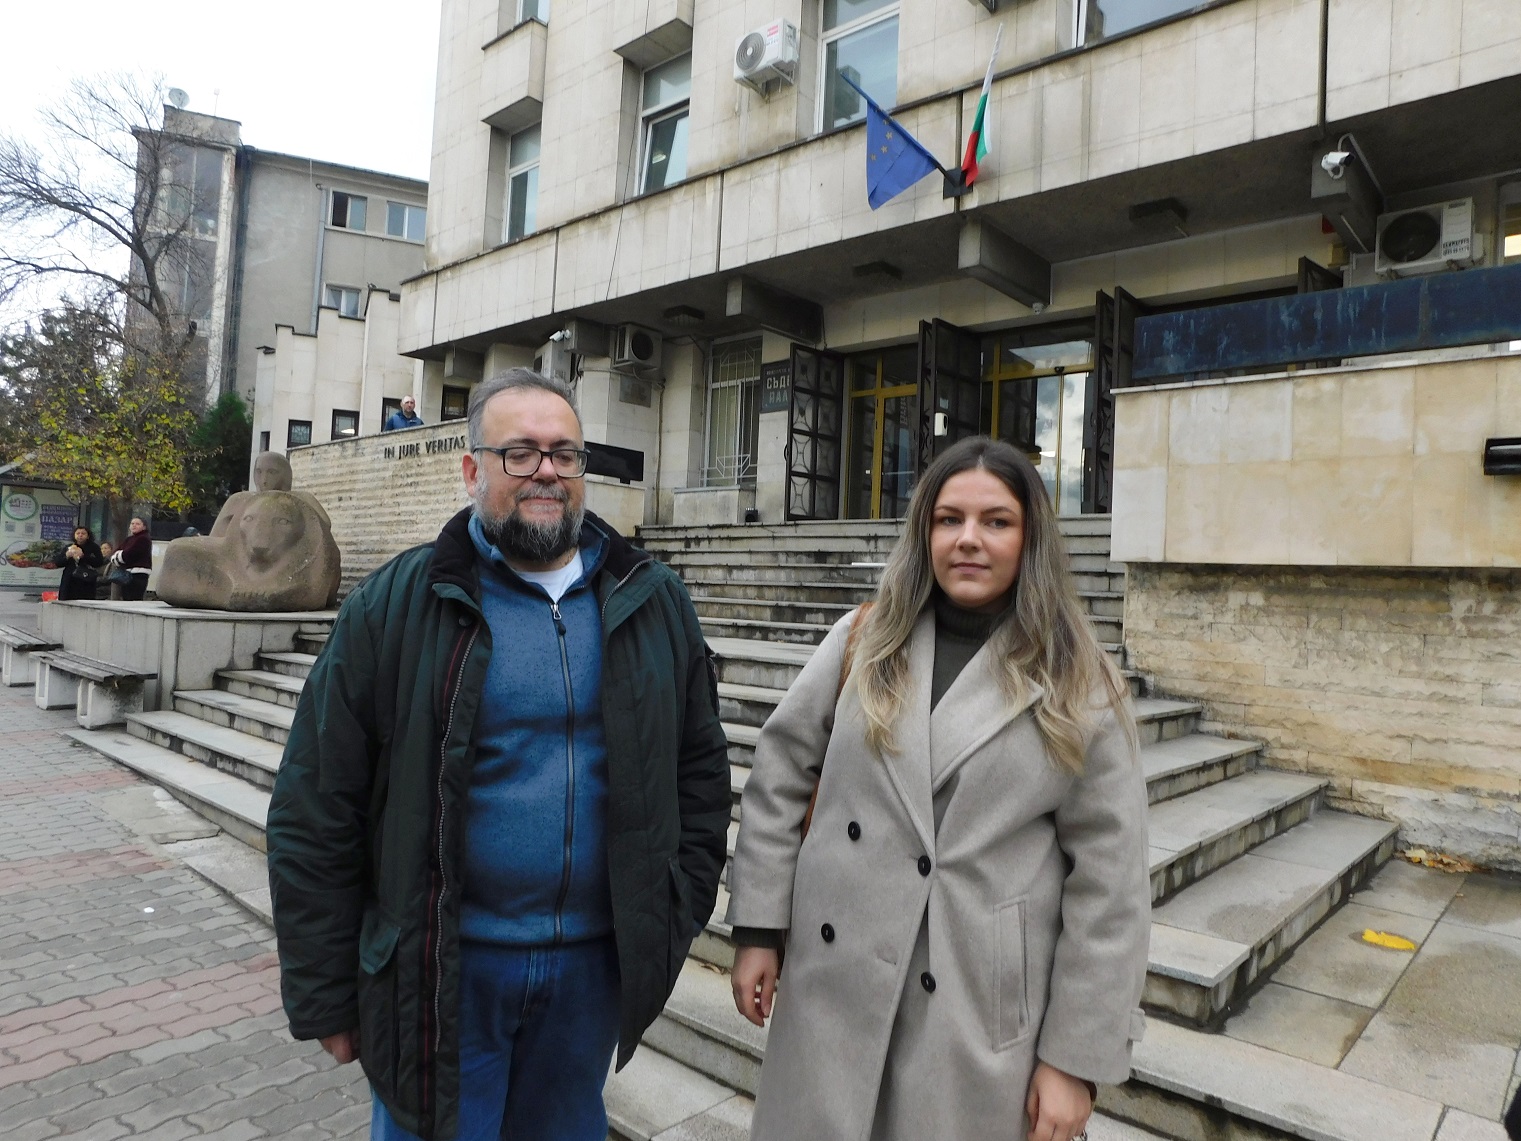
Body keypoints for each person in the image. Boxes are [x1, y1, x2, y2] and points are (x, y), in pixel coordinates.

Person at [266, 368, 731, 1141]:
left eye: (564, 453)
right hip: (441, 975)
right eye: (519, 452)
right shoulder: (398, 604)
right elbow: (316, 802)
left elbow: (700, 774)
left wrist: (672, 913)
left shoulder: (652, 601)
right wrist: (324, 990)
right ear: (471, 469)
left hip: (589, 978)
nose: (546, 470)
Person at [725, 436, 1151, 1141]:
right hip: (833, 983)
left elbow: (1111, 891)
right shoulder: (864, 639)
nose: (968, 539)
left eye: (996, 521)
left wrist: (1074, 1060)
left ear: (1030, 538)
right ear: (925, 532)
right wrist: (759, 929)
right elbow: (779, 772)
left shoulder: (1079, 680)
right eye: (949, 519)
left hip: (970, 1007)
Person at [56, 526, 104, 601]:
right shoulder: (69, 547)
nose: (80, 535)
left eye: (83, 533)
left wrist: (83, 556)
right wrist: (67, 556)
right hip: (70, 580)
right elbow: (58, 563)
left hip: (86, 580)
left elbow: (99, 562)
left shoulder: (94, 547)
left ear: (88, 536)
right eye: (78, 533)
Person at [111, 517, 153, 601]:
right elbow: (118, 551)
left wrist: (119, 557)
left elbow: (130, 554)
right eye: (132, 523)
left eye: (137, 524)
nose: (134, 526)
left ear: (144, 527)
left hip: (138, 573)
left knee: (134, 598)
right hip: (128, 573)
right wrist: (118, 556)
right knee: (126, 598)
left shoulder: (143, 538)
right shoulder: (129, 539)